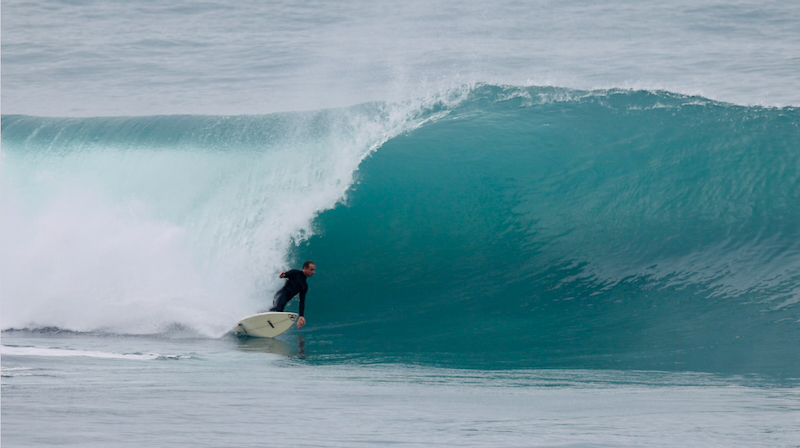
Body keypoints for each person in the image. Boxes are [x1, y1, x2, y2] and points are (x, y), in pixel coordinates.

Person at [270, 261, 315, 329]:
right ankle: (262, 318)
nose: (313, 272)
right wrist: (282, 275)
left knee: (278, 312)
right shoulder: (295, 273)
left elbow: (301, 301)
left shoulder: (304, 286)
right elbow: (286, 274)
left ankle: (264, 320)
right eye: (311, 269)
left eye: (314, 270)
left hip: (285, 299)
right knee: (277, 310)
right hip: (280, 295)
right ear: (305, 268)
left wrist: (301, 316)